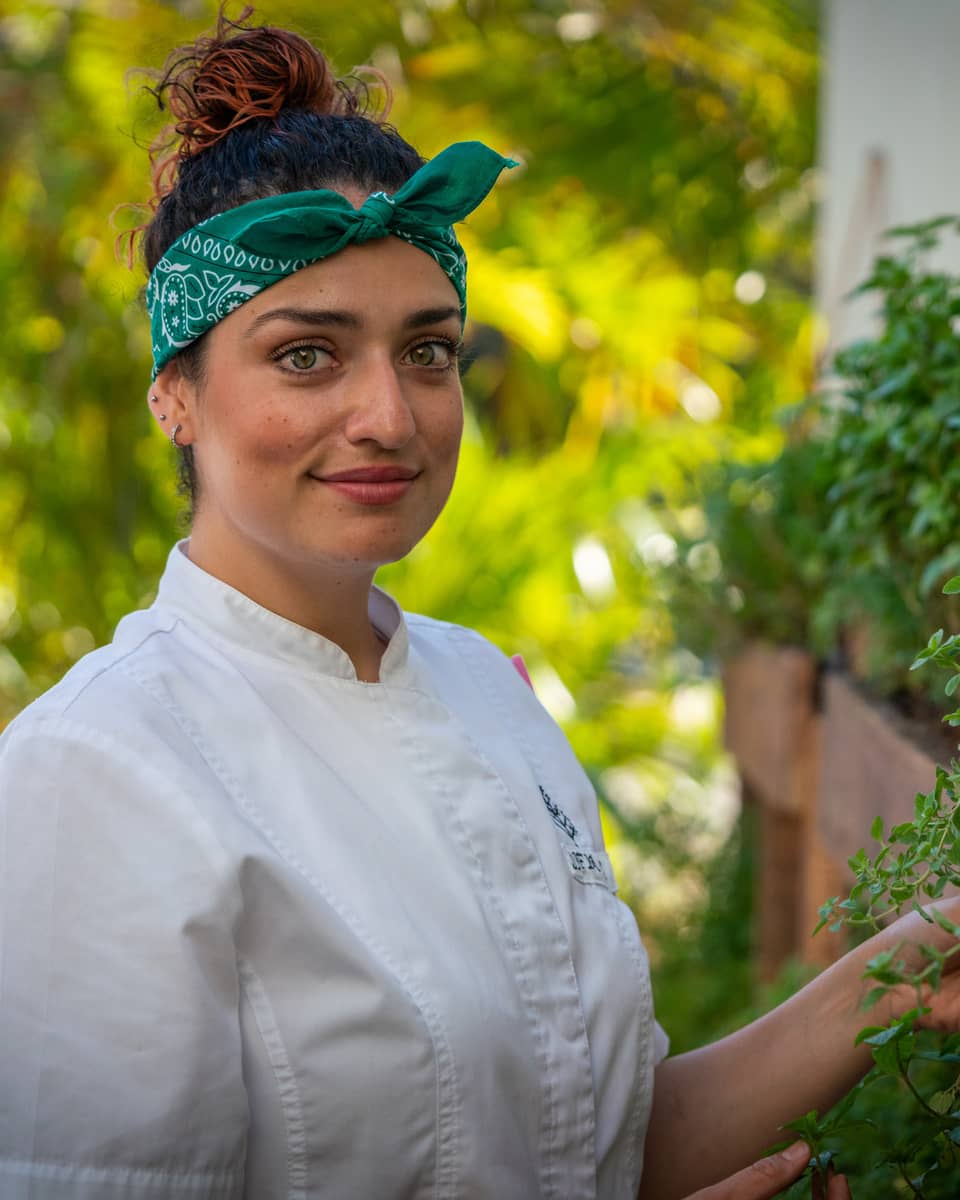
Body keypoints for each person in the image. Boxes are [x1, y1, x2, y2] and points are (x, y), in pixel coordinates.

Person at [0, 10, 956, 1199]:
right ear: (176, 395)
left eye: (427, 351)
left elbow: (594, 1148)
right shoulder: (94, 775)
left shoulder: (487, 696)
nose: (389, 418)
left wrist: (902, 972)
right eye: (307, 354)